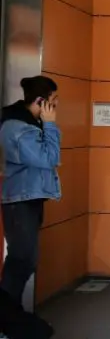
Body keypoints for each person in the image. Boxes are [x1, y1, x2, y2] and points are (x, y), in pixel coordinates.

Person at [0, 76, 60, 307]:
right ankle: (8, 319)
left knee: (26, 260)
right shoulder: (19, 127)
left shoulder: (28, 124)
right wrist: (51, 125)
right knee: (20, 261)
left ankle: (10, 317)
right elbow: (49, 158)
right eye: (53, 100)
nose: (56, 106)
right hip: (20, 200)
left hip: (29, 197)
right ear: (40, 101)